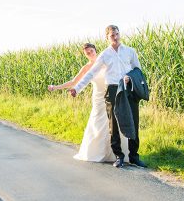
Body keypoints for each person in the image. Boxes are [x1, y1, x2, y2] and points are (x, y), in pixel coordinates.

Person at [70, 25, 147, 168]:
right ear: (107, 37)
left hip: (128, 89)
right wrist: (77, 88)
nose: (116, 37)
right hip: (112, 90)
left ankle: (134, 156)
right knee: (114, 125)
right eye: (112, 35)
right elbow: (91, 73)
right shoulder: (105, 54)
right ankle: (119, 156)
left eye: (117, 34)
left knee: (133, 122)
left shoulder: (130, 51)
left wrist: (130, 77)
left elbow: (138, 70)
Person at [48, 43, 128, 162]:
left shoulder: (105, 61)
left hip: (111, 95)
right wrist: (56, 87)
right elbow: (74, 81)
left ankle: (116, 153)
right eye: (87, 53)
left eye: (91, 51)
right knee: (98, 123)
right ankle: (97, 152)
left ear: (96, 50)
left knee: (114, 122)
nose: (90, 54)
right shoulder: (86, 67)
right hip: (98, 98)